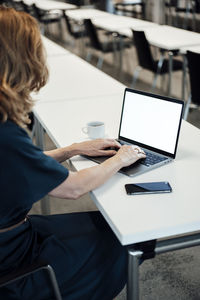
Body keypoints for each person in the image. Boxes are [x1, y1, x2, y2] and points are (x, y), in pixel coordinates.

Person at [0, 6, 146, 300]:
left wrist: (72, 150)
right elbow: (73, 188)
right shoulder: (6, 133)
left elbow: (21, 165)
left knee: (103, 224)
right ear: (22, 58)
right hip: (13, 256)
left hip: (10, 235)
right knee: (123, 236)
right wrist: (122, 158)